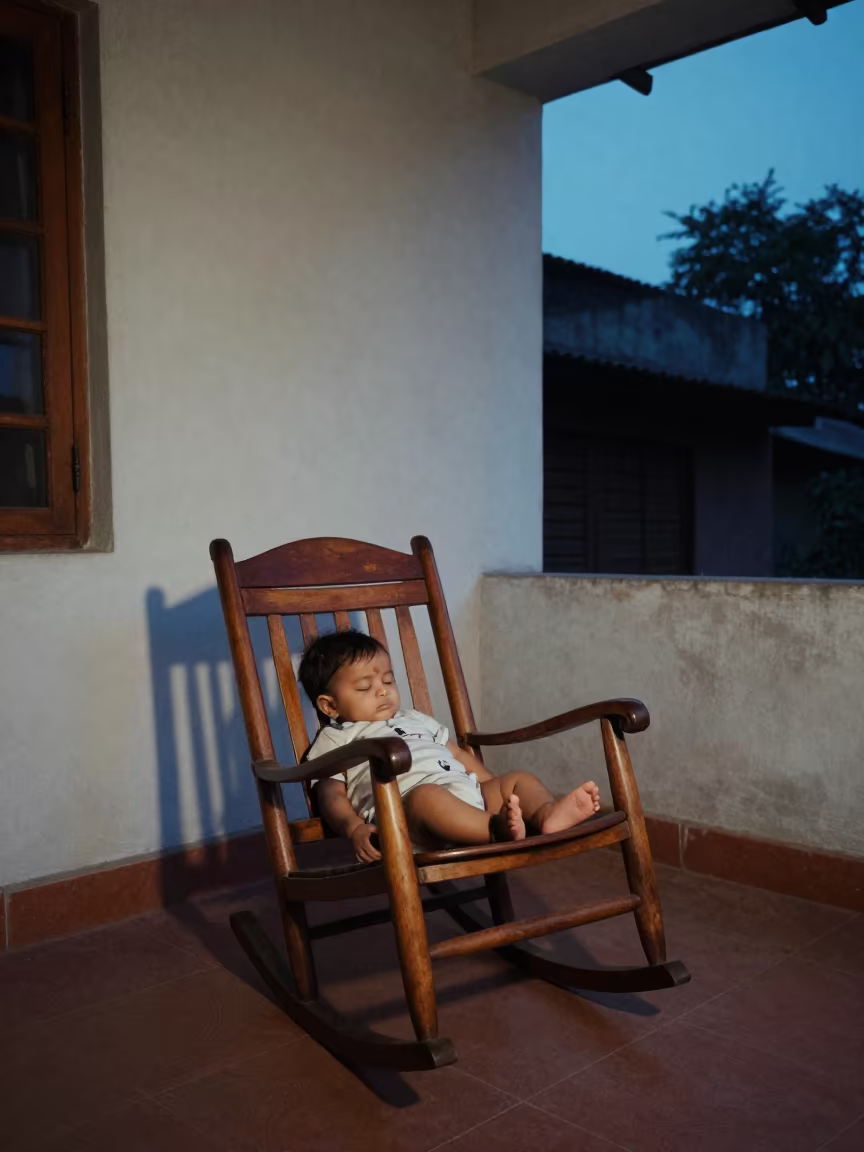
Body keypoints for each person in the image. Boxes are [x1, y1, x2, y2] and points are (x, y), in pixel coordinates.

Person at [299, 630, 601, 862]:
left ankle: (546, 815)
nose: (382, 692)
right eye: (365, 687)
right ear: (329, 705)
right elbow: (330, 793)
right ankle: (497, 831)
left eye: (388, 681)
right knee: (427, 797)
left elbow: (455, 753)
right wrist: (354, 828)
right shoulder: (336, 738)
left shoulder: (415, 718)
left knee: (516, 780)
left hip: (467, 797)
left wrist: (491, 786)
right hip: (407, 816)